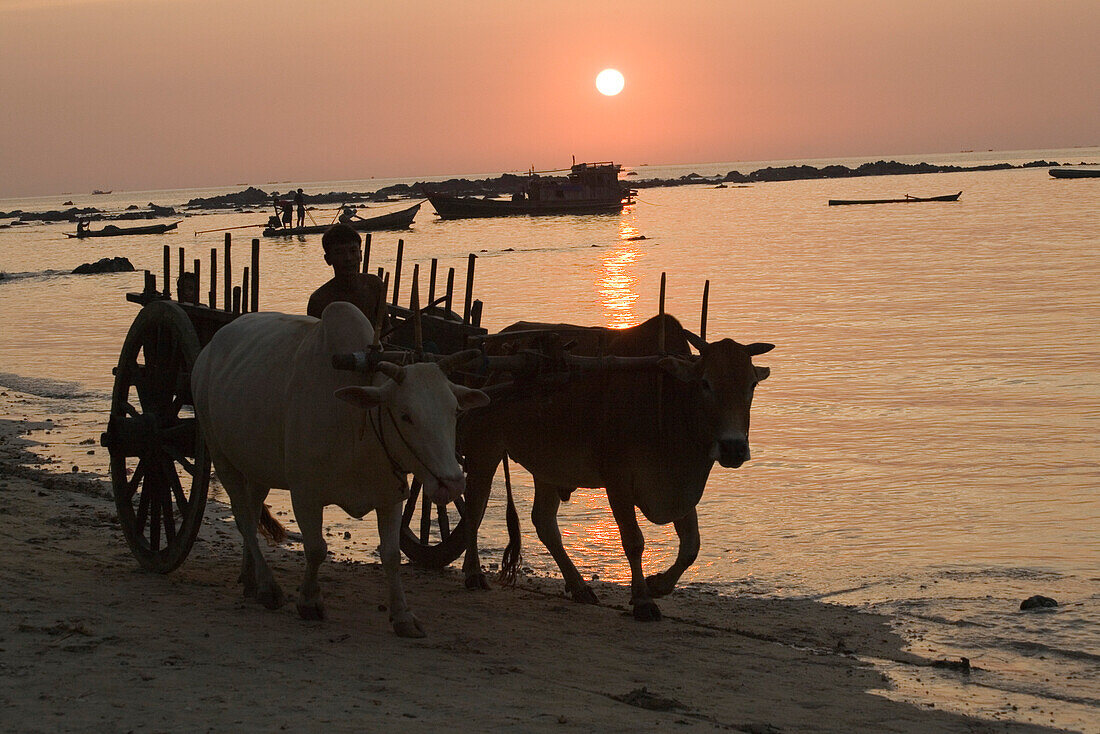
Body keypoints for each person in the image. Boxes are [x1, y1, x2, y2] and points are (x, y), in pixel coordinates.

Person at [306, 224, 388, 331]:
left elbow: (386, 327)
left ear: (361, 255)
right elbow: (316, 341)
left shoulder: (375, 285)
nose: (348, 258)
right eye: (339, 252)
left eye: (353, 251)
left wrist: (384, 340)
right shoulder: (319, 300)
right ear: (328, 259)